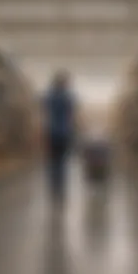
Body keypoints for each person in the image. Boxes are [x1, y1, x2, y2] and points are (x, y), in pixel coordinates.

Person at [43, 70, 77, 203]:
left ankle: (54, 186)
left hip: (51, 132)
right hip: (63, 133)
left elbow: (45, 108)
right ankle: (60, 186)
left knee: (53, 161)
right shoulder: (67, 97)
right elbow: (72, 113)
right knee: (61, 161)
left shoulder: (49, 96)